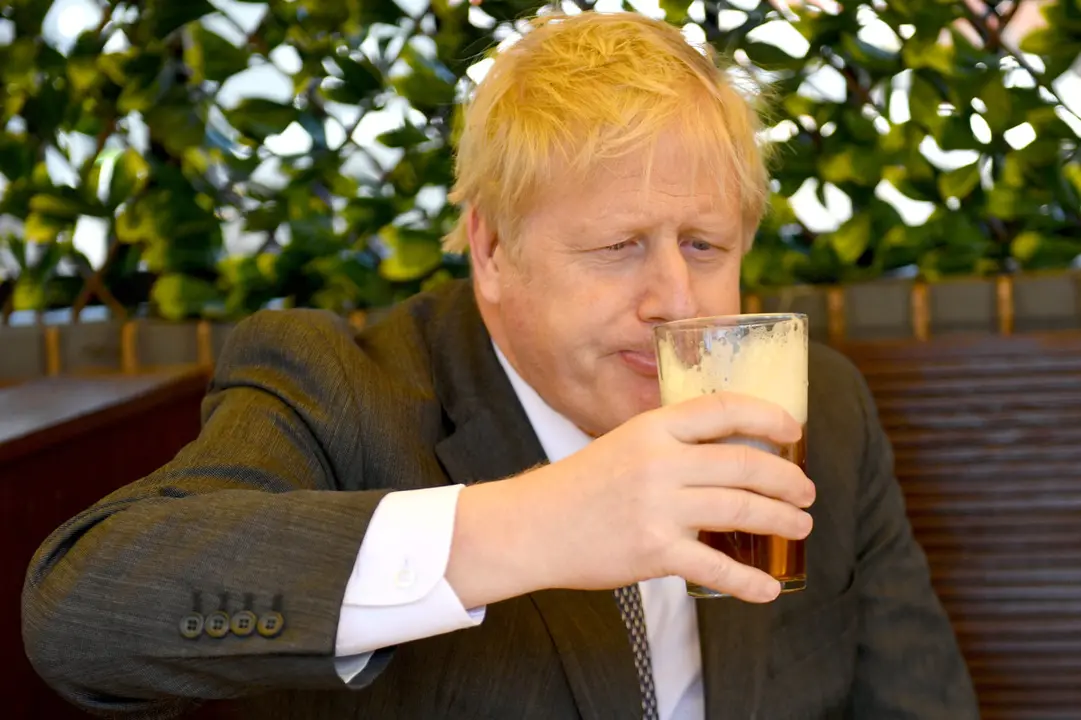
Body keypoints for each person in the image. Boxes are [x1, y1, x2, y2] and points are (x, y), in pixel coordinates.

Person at [22, 11, 978, 720]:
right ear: (489, 249)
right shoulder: (341, 389)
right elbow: (83, 616)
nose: (675, 303)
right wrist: (526, 524)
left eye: (702, 246)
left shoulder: (813, 408)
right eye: (616, 247)